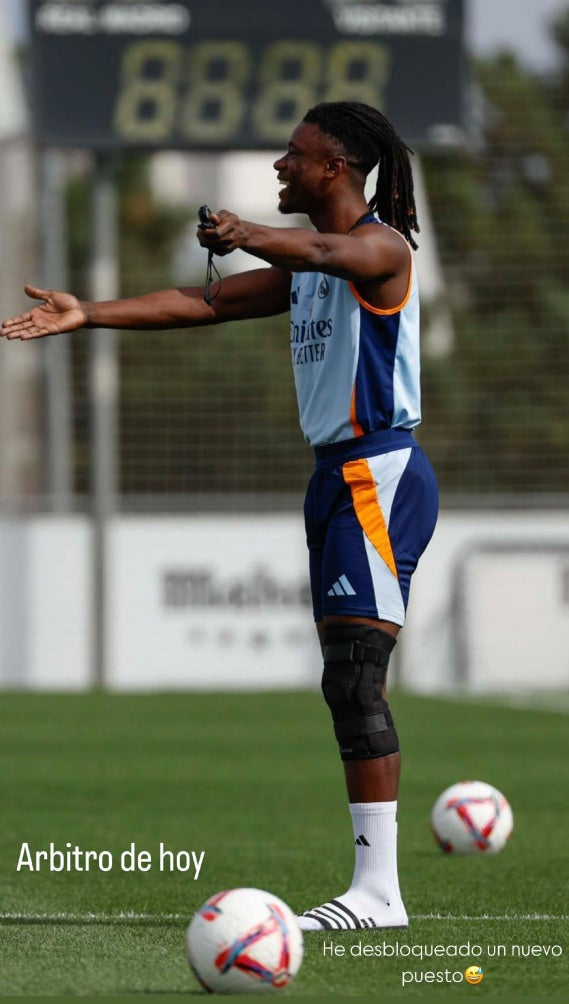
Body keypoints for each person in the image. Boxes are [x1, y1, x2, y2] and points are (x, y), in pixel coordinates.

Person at [1, 101, 438, 932]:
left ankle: (378, 896)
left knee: (354, 676)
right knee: (344, 679)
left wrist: (243, 230)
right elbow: (200, 304)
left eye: (294, 154)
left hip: (377, 475)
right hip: (335, 478)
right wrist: (88, 313)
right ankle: (375, 891)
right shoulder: (315, 266)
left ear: (334, 170)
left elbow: (319, 247)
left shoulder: (379, 249)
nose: (280, 164)